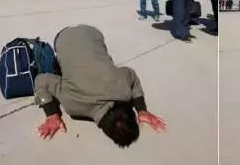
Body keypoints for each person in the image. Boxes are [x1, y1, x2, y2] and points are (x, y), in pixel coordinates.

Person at [34, 25, 166, 145]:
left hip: (92, 33)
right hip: (64, 37)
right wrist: (52, 114)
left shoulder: (123, 88)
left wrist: (141, 109)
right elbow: (41, 80)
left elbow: (131, 75)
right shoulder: (72, 105)